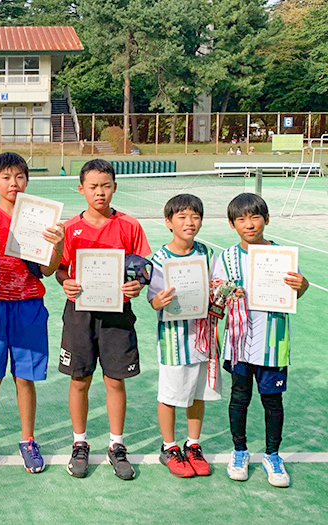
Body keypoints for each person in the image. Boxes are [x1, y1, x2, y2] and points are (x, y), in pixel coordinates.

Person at [0, 152, 64, 475]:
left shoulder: (39, 220)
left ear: (27, 181)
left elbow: (47, 270)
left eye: (19, 177)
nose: (13, 183)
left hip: (29, 306)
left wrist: (57, 245)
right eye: (5, 177)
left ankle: (28, 440)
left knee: (25, 378)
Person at [56, 158, 151, 481]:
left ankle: (116, 445)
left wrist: (136, 285)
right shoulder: (70, 228)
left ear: (115, 187)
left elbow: (142, 269)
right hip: (79, 313)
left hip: (117, 314)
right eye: (93, 186)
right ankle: (79, 443)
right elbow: (60, 268)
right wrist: (63, 281)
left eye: (106, 186)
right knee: (79, 379)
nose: (100, 192)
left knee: (114, 380)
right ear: (81, 189)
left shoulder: (129, 226)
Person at [217, 193, 309, 488]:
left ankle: (272, 455)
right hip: (239, 340)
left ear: (266, 219)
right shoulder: (227, 257)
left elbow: (296, 292)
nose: (249, 224)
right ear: (232, 224)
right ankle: (239, 451)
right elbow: (217, 292)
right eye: (241, 219)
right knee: (239, 398)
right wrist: (227, 292)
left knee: (272, 401)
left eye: (255, 217)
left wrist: (302, 285)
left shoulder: (282, 255)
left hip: (273, 341)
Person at [147, 194, 220, 478]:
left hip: (204, 338)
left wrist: (222, 295)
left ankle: (193, 444)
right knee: (170, 395)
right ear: (169, 222)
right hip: (174, 340)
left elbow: (214, 288)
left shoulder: (205, 253)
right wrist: (160, 302)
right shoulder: (160, 259)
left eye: (195, 217)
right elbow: (152, 301)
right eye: (182, 217)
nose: (189, 223)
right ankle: (169, 447)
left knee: (197, 394)